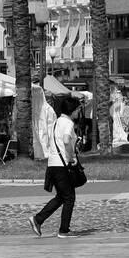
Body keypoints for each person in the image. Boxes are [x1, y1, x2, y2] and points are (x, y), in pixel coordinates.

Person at [29, 96, 83, 239]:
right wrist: (72, 157)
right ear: (72, 110)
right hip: (62, 165)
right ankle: (63, 231)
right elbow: (66, 140)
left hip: (52, 165)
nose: (79, 112)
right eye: (78, 109)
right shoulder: (68, 123)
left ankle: (38, 220)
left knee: (61, 196)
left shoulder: (56, 122)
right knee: (69, 197)